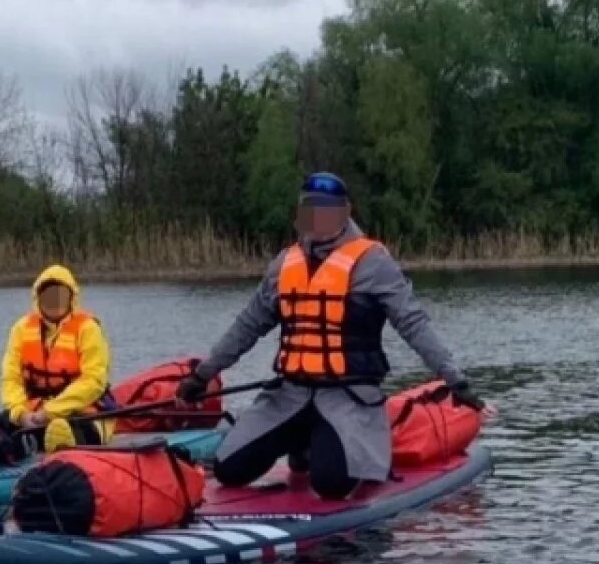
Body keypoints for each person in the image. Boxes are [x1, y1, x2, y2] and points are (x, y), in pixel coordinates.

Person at [177, 171, 483, 500]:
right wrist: (202, 375)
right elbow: (246, 327)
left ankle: (344, 445)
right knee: (228, 469)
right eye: (311, 208)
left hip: (348, 399)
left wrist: (455, 379)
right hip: (290, 397)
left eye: (328, 208)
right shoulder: (284, 264)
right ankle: (303, 442)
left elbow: (414, 324)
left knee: (331, 484)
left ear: (345, 211)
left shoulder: (374, 263)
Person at [0, 264, 114, 453]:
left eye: (60, 294)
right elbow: (11, 378)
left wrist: (51, 412)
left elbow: (94, 381)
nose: (54, 301)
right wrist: (21, 414)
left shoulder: (88, 328)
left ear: (72, 298)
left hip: (82, 413)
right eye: (49, 295)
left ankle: (62, 452)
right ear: (38, 297)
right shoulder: (21, 329)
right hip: (33, 415)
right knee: (3, 423)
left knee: (66, 430)